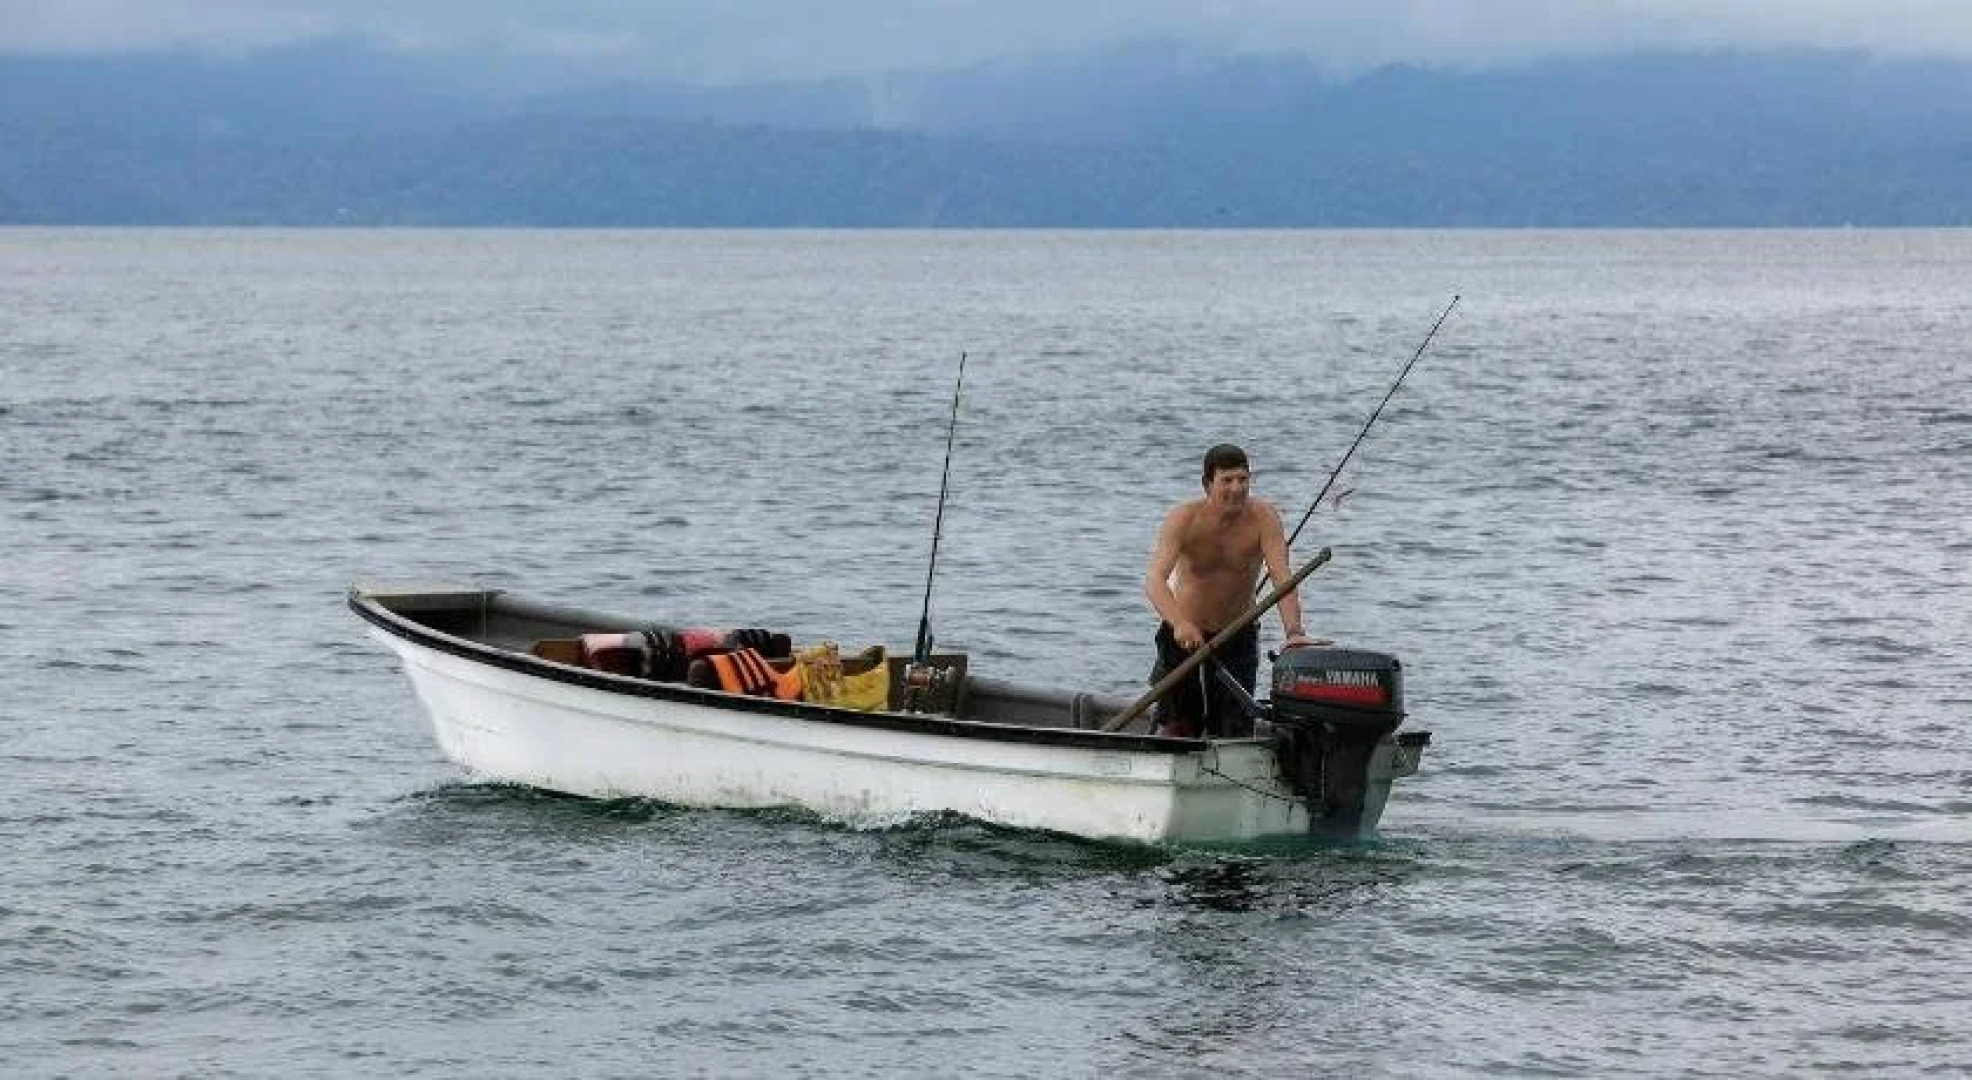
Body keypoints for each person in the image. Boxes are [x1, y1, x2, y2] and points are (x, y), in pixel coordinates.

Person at [1144, 443, 1319, 738]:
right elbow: (1154, 581)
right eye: (1227, 480)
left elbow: (1281, 577)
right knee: (1179, 726)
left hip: (1237, 634)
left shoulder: (1264, 518)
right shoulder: (1184, 519)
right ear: (1207, 485)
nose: (1237, 488)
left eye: (1243, 479)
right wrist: (1179, 623)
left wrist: (1294, 632)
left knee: (1233, 729)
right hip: (1184, 637)